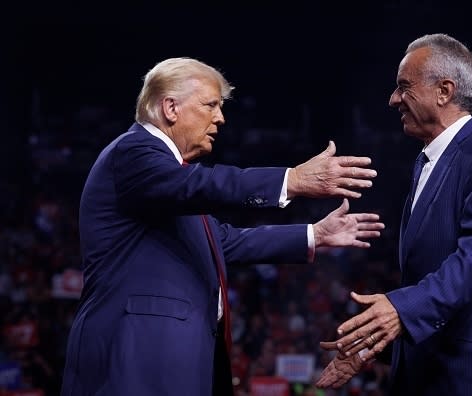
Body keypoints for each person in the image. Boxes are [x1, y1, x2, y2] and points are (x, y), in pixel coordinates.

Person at [59, 57, 385, 396]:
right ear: (170, 107)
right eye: (210, 105)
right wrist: (291, 180)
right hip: (136, 357)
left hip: (172, 358)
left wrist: (314, 235)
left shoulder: (170, 182)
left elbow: (222, 242)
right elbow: (202, 186)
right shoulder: (134, 151)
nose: (220, 117)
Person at [315, 33, 472, 395]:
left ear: (445, 91)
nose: (393, 99)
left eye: (404, 86)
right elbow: (430, 279)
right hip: (427, 374)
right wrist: (377, 342)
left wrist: (399, 311)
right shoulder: (425, 163)